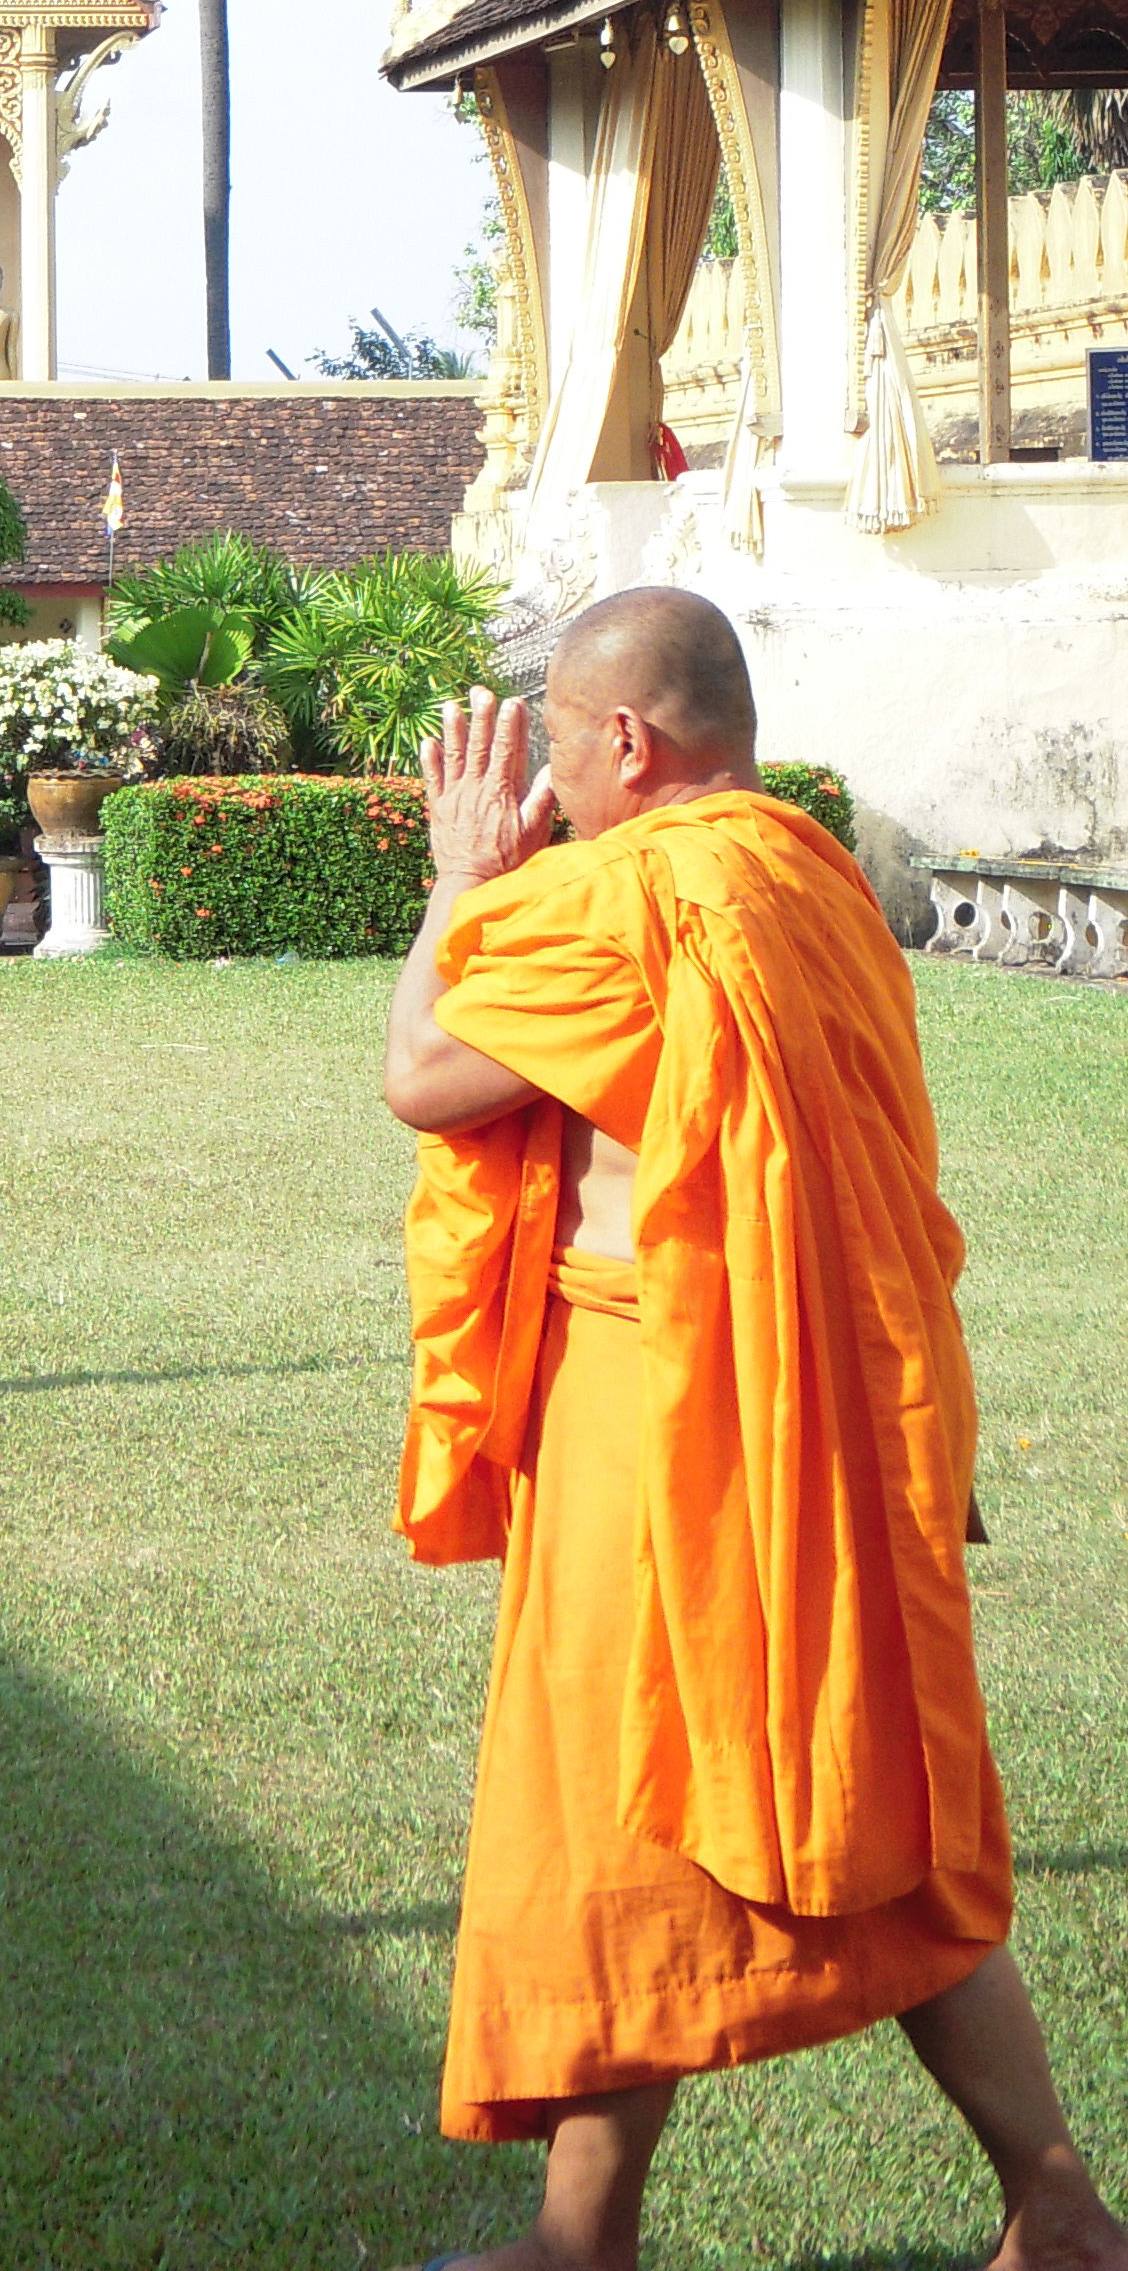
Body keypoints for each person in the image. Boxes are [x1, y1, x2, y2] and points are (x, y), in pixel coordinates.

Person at [382, 588, 1123, 2271]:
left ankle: (593, 2244)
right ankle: (1048, 2204)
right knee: (872, 1806)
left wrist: (457, 874)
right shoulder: (811, 873)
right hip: (841, 1401)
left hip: (676, 1424)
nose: (547, 781)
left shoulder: (618, 895)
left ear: (622, 741)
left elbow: (424, 1068)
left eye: (558, 745)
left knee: (608, 1808)